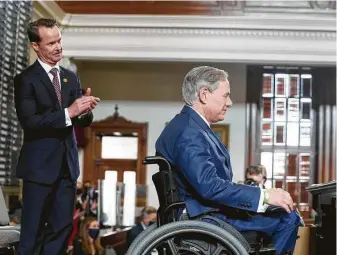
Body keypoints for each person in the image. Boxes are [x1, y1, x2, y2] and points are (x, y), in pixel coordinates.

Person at [155, 66, 300, 255]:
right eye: (225, 96)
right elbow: (210, 186)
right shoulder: (189, 132)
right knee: (288, 217)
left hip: (204, 213)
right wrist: (264, 196)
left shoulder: (188, 126)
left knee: (277, 212)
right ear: (204, 94)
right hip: (203, 218)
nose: (230, 102)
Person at [14, 18, 100, 254]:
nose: (58, 47)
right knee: (32, 234)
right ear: (35, 46)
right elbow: (30, 122)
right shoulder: (25, 80)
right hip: (39, 169)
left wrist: (85, 111)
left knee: (62, 230)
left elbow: (80, 120)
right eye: (51, 42)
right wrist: (69, 111)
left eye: (59, 40)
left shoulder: (70, 78)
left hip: (67, 169)